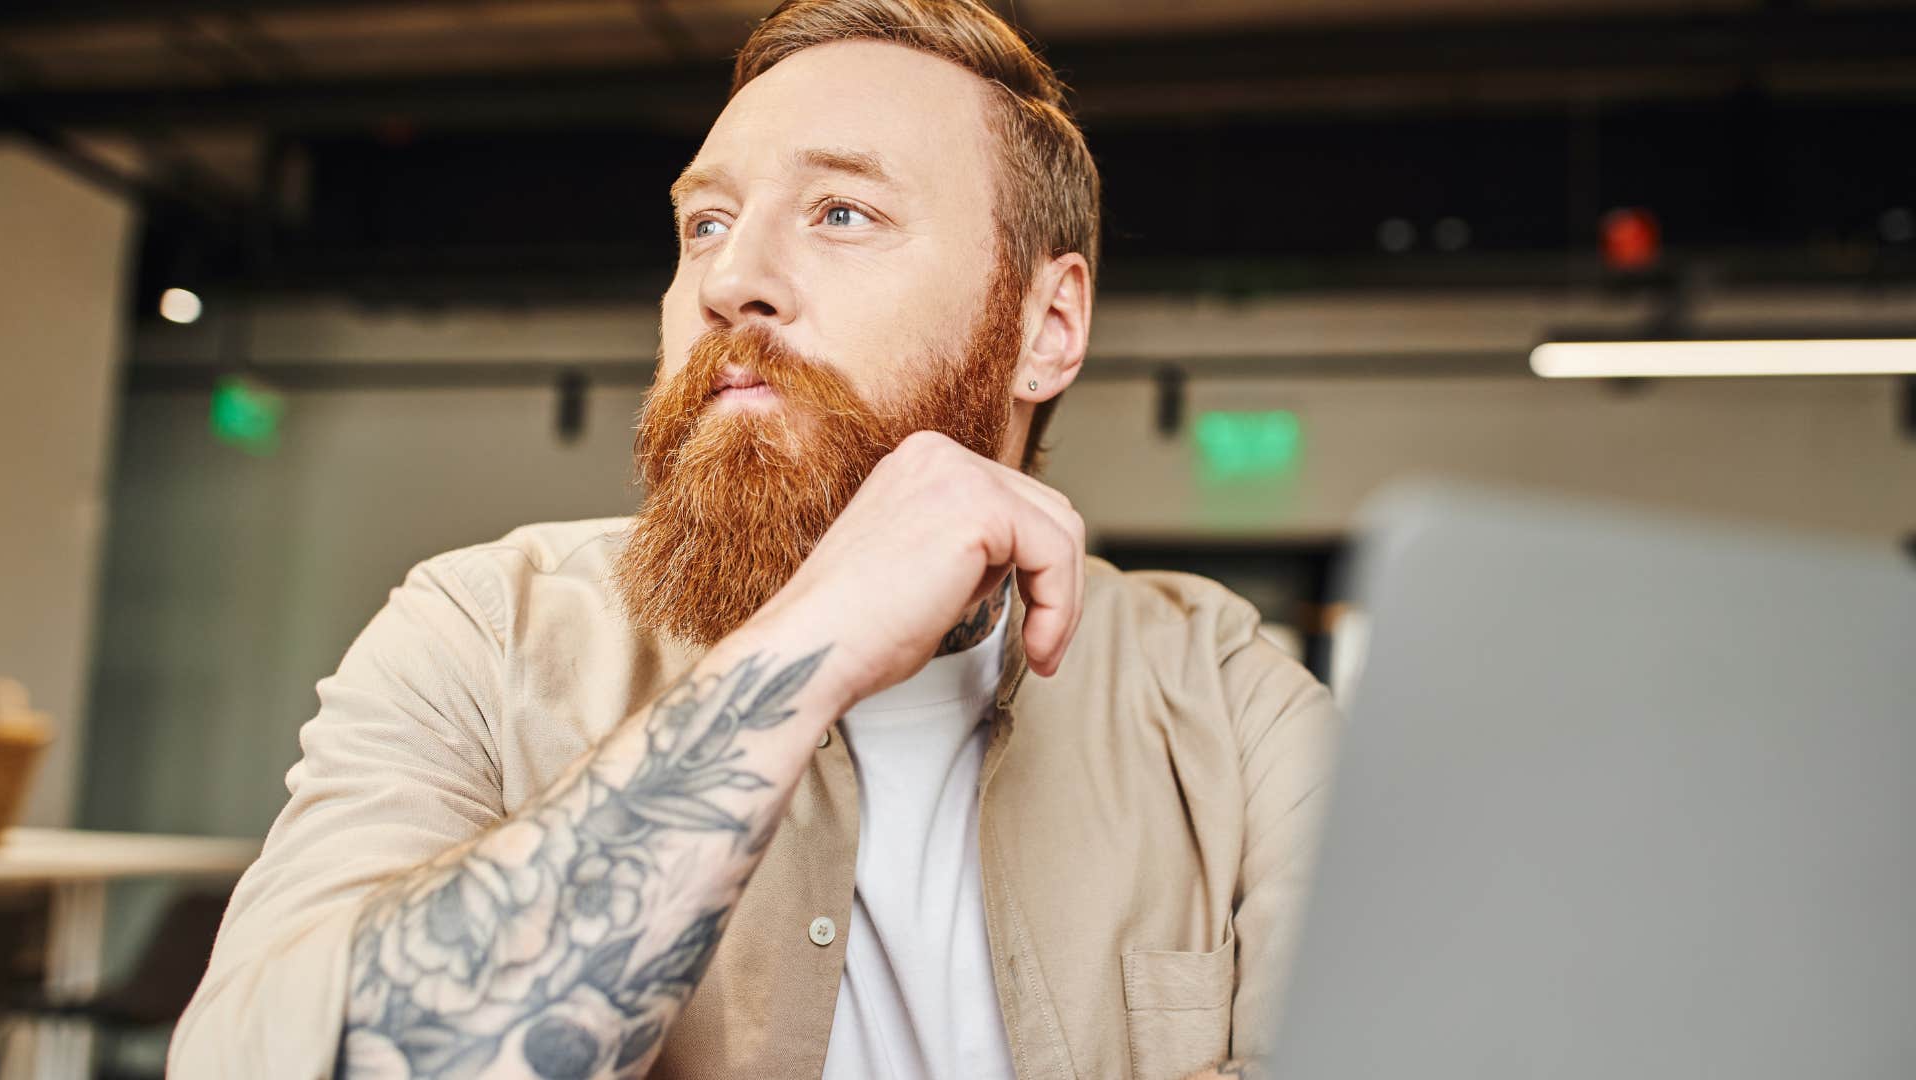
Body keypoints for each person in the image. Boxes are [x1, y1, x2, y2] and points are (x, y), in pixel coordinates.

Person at [170, 1, 1337, 1077]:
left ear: (1047, 324)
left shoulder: (1228, 701)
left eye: (842, 213)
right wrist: (807, 645)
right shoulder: (482, 635)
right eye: (706, 222)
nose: (731, 279)